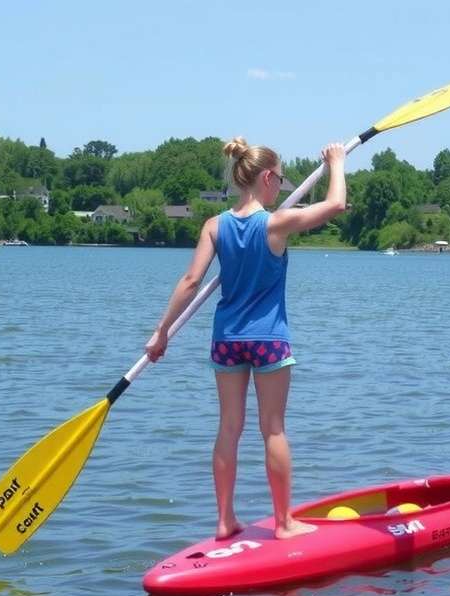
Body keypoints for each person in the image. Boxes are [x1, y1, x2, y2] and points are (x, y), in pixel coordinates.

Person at [145, 137, 347, 540]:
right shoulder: (275, 223)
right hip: (269, 338)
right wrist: (337, 163)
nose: (282, 189)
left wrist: (161, 331)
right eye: (281, 181)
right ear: (267, 178)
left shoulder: (214, 226)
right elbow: (336, 205)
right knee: (272, 428)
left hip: (227, 339)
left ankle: (224, 521)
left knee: (228, 428)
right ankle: (285, 523)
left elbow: (190, 281)